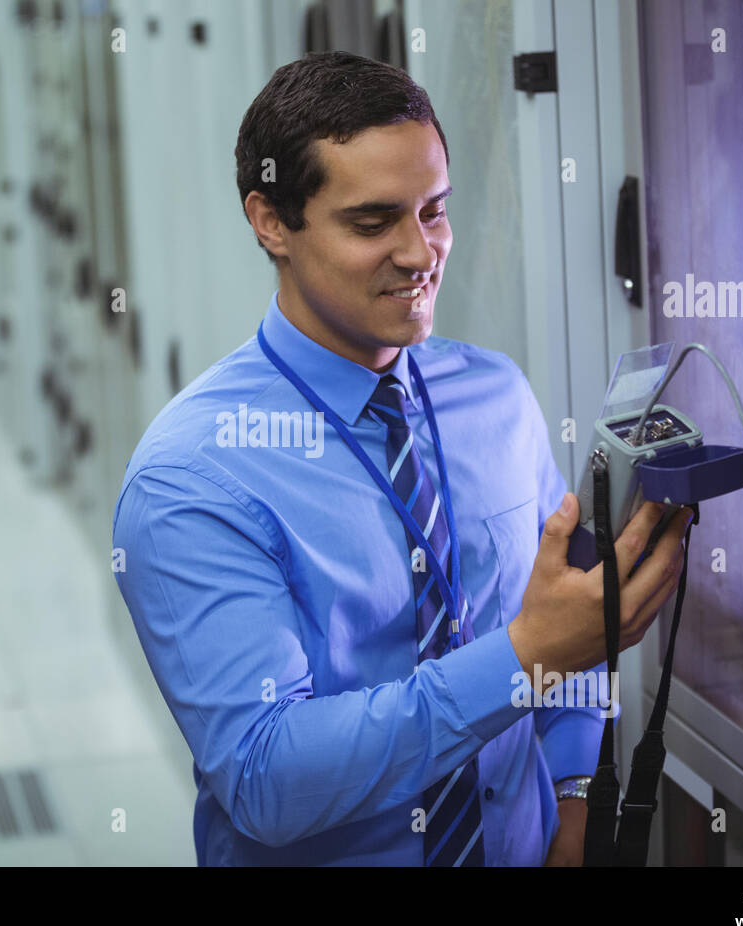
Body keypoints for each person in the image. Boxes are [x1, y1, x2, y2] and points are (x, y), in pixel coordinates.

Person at [112, 50, 692, 866]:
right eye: (373, 222)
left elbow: (571, 629)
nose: (421, 255)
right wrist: (525, 658)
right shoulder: (193, 478)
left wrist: (571, 799)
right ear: (271, 221)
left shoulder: (495, 398)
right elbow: (266, 779)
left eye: (435, 211)